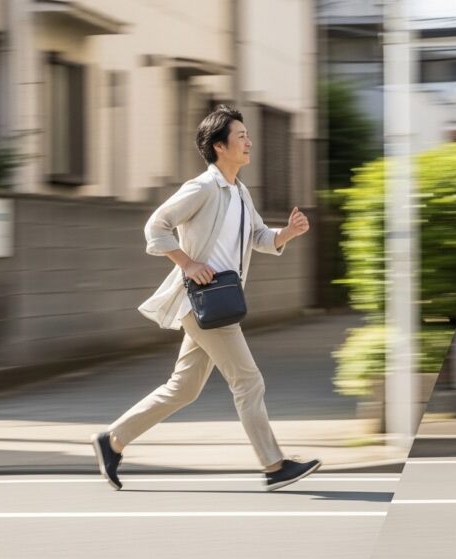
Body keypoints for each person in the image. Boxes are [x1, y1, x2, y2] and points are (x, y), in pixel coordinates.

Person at [92, 105, 319, 490]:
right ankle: (274, 465)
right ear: (220, 146)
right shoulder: (202, 188)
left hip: (214, 304)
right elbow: (156, 227)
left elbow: (259, 237)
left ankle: (112, 441)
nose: (249, 141)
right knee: (249, 382)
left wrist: (287, 234)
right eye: (241, 136)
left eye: (248, 135)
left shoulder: (240, 192)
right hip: (201, 302)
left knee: (184, 388)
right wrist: (187, 262)